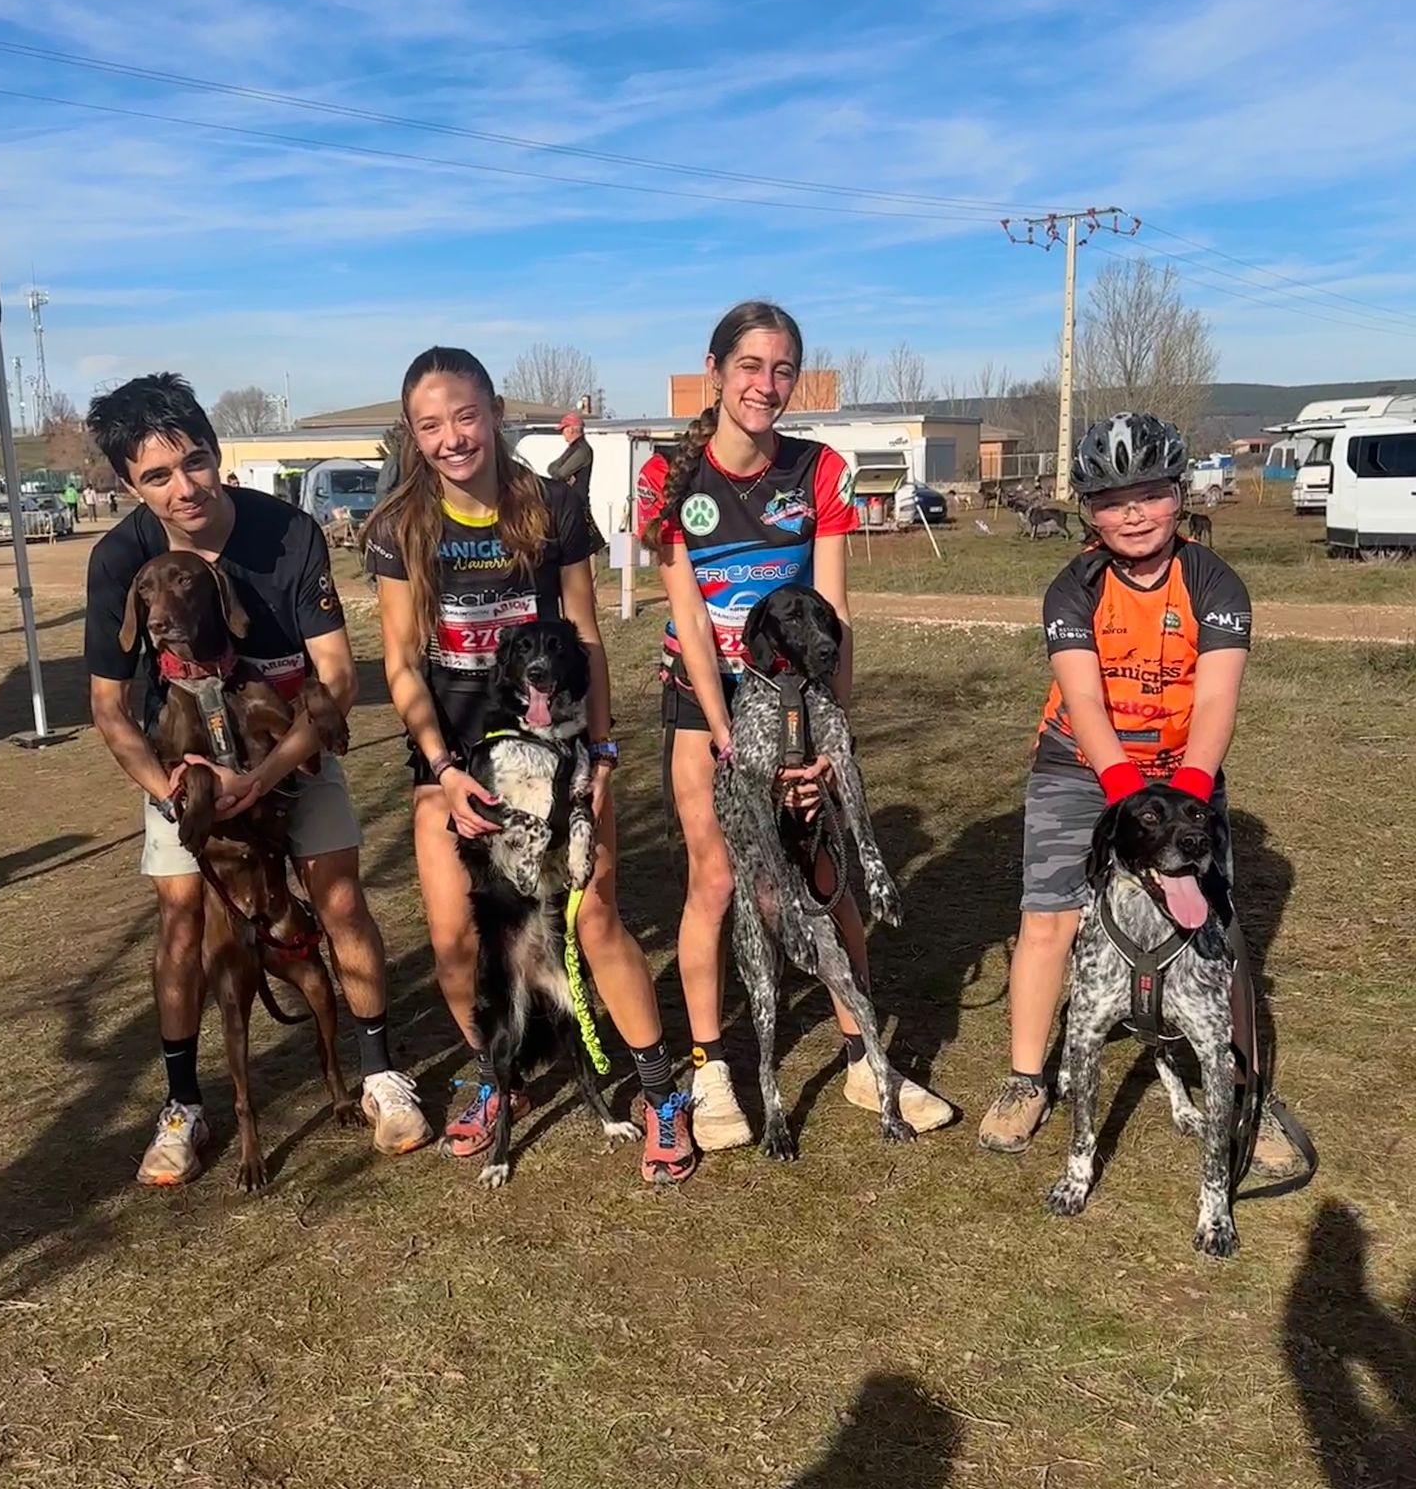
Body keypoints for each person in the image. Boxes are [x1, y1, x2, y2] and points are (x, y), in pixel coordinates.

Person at [83, 373, 430, 1187]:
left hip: (290, 741)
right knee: (180, 916)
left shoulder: (288, 533)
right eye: (157, 476)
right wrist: (173, 790)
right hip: (184, 764)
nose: (184, 487)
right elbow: (108, 709)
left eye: (195, 462)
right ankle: (183, 1106)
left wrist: (264, 774)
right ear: (130, 486)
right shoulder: (120, 560)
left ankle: (380, 1075)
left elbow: (338, 676)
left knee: (338, 893)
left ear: (217, 453)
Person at [365, 346, 697, 1183]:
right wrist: (442, 768)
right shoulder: (398, 527)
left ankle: (662, 1095)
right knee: (456, 940)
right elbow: (401, 663)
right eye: (430, 425)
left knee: (595, 919)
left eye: (465, 416)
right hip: (457, 771)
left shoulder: (552, 505)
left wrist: (603, 752)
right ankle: (497, 1076)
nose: (452, 438)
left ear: (496, 412)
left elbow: (585, 633)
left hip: (562, 759)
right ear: (411, 434)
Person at [638, 301, 953, 1154]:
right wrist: (724, 734)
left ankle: (863, 1058)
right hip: (704, 699)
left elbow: (835, 613)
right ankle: (711, 1071)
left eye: (782, 370)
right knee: (716, 879)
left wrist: (825, 738)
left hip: (798, 701)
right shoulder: (666, 477)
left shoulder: (820, 469)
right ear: (714, 371)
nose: (765, 385)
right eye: (749, 366)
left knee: (827, 876)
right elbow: (691, 619)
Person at [976, 410, 1301, 1177]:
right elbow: (1084, 701)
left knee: (1215, 928)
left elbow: (1216, 701)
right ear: (1088, 509)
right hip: (1079, 764)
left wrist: (1184, 799)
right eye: (1112, 500)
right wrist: (1125, 794)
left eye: (1151, 494)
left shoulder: (1214, 583)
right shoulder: (1074, 587)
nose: (1134, 514)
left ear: (1178, 494)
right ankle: (1026, 1079)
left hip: (1184, 768)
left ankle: (1244, 1091)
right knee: (1049, 916)